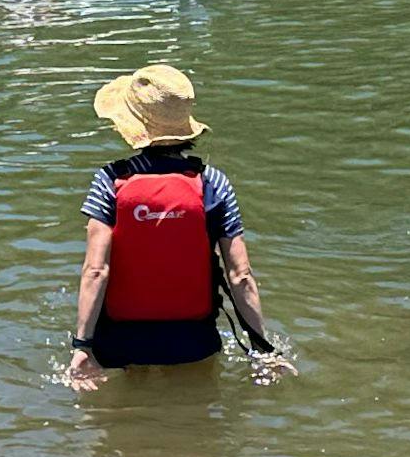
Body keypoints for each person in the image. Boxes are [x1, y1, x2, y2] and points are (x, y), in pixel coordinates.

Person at [65, 64, 287, 391]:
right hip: (194, 340)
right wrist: (263, 349)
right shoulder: (213, 183)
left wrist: (82, 347)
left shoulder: (110, 181)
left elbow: (95, 271)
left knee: (128, 413)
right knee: (194, 407)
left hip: (121, 340)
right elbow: (240, 275)